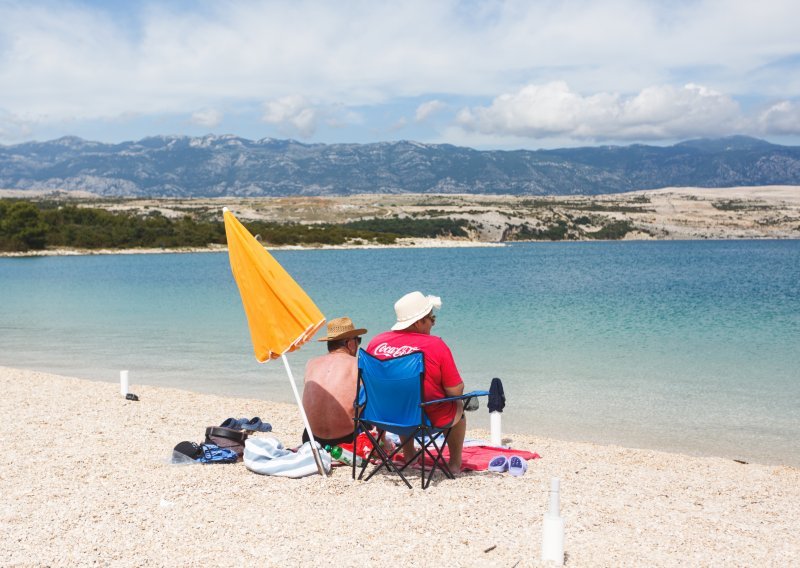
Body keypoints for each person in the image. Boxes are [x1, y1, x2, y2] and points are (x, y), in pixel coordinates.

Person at [366, 291, 467, 472]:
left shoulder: (376, 342)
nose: (433, 323)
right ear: (419, 322)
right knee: (458, 404)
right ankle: (454, 464)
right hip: (424, 420)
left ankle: (409, 453)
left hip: (383, 418)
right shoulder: (435, 345)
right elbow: (455, 391)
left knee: (402, 396)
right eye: (431, 319)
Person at [302, 316, 367, 447]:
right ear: (349, 343)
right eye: (358, 340)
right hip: (347, 439)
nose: (358, 344)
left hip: (311, 438)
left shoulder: (311, 363)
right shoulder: (359, 364)